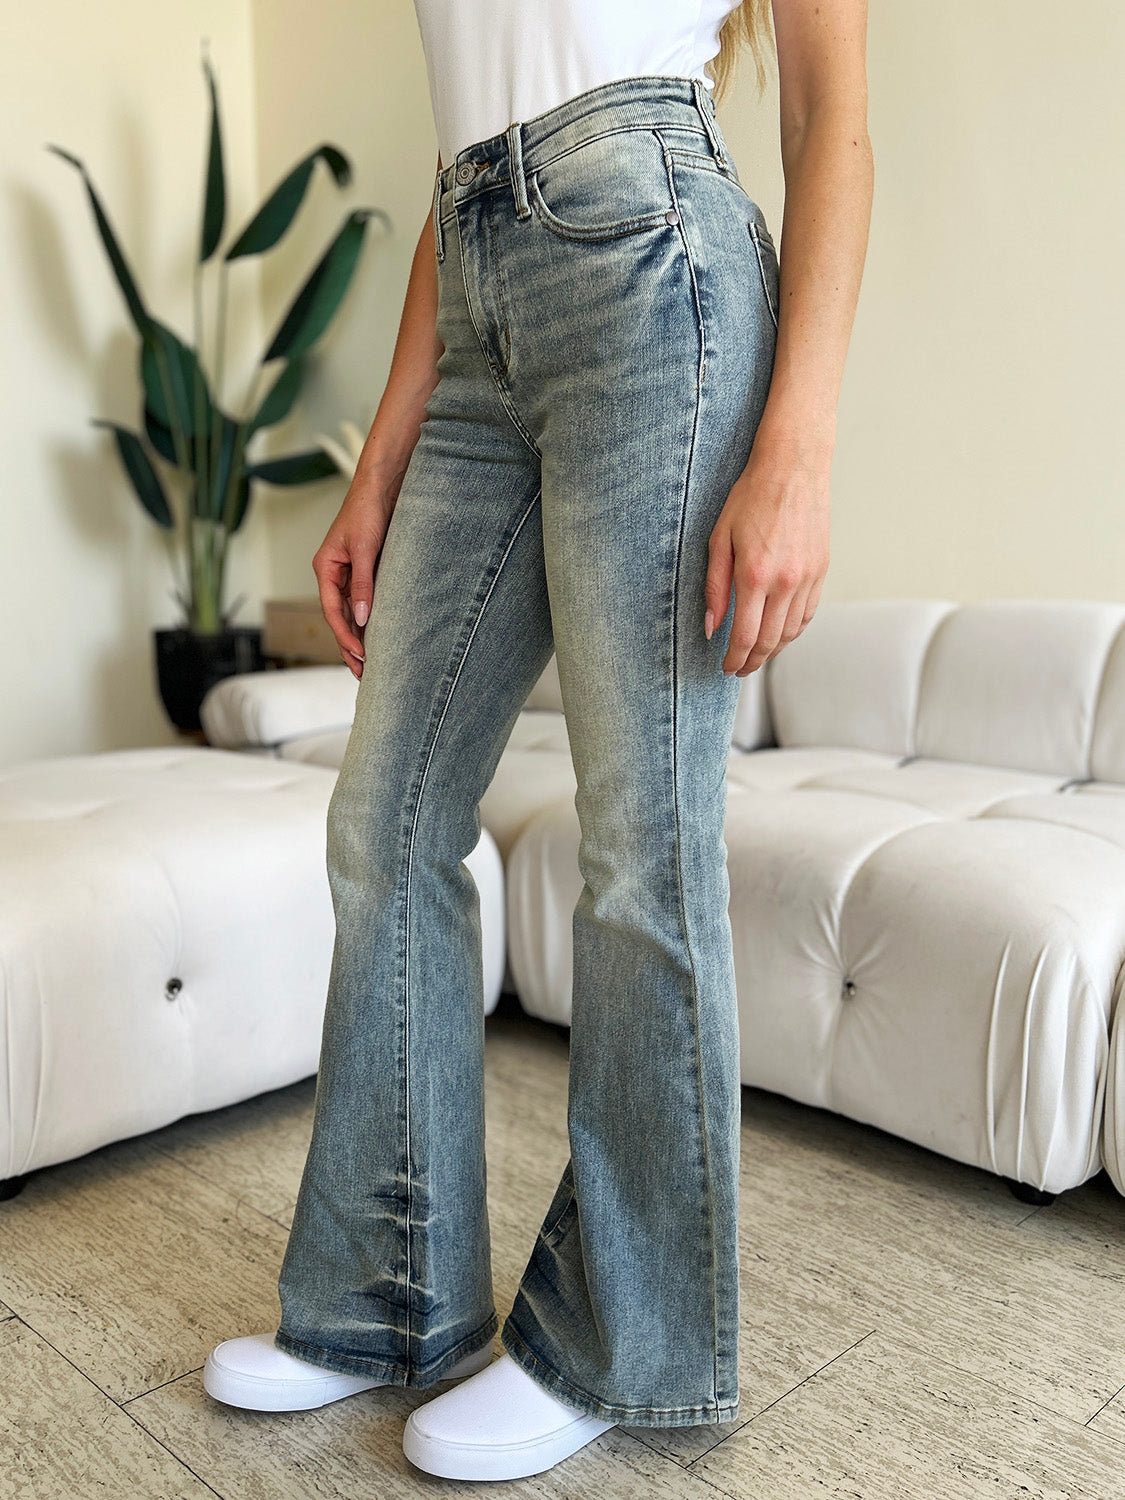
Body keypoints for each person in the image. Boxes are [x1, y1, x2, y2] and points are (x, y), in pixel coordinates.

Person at [203, 0, 872, 1482]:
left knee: (639, 848)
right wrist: (380, 457)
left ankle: (619, 1345)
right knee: (383, 823)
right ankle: (386, 1303)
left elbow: (833, 120)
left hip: (653, 267)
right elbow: (463, 158)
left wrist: (799, 447)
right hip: (476, 278)